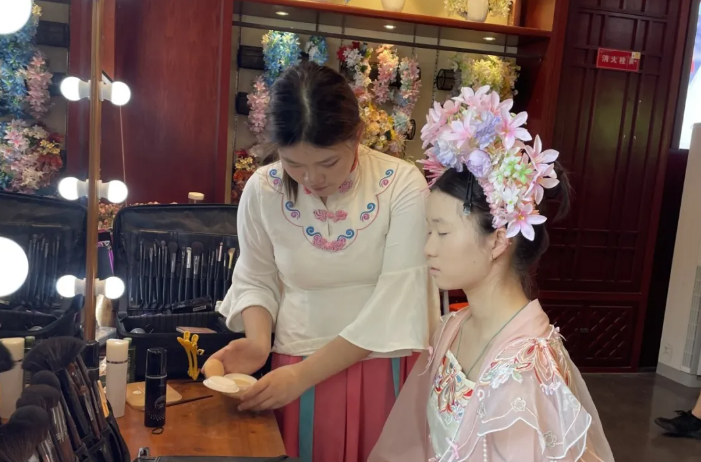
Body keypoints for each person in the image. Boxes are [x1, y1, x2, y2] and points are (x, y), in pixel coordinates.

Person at [369, 86, 614, 461]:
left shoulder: (527, 366)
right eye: (428, 231)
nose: (428, 248)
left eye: (442, 233)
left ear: (499, 240)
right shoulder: (454, 326)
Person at [213, 62, 439, 462]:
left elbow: (399, 298)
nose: (311, 179)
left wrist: (303, 376)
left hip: (380, 364)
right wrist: (258, 342)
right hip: (291, 365)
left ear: (357, 135)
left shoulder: (401, 185)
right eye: (294, 164)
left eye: (328, 163)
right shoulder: (263, 190)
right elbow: (256, 275)